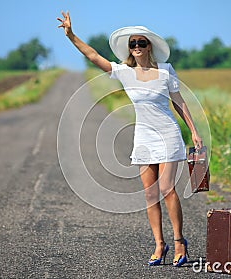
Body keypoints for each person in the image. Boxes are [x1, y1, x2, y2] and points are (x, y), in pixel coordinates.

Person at [57, 10, 203, 267]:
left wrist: (193, 130)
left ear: (150, 47)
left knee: (167, 188)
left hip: (168, 135)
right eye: (132, 43)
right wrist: (71, 35)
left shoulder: (166, 71)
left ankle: (180, 241)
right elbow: (93, 56)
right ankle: (160, 245)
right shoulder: (123, 71)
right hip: (144, 137)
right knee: (150, 195)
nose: (136, 46)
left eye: (141, 43)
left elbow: (179, 103)